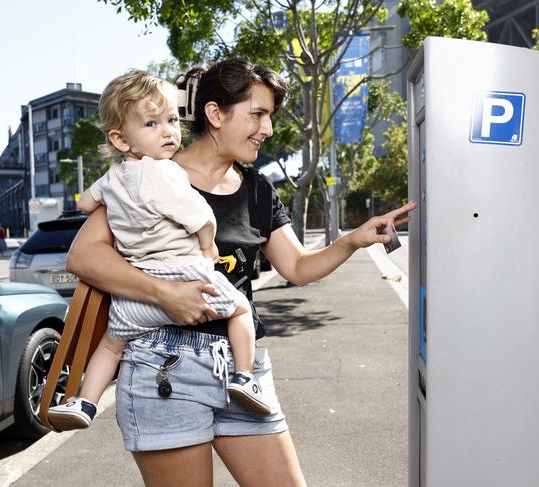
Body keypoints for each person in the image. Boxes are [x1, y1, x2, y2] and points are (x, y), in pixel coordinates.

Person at [65, 58, 417, 486]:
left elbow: (298, 267)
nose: (266, 128)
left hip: (239, 372)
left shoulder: (256, 189)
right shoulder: (149, 175)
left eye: (269, 116)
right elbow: (84, 257)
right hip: (162, 363)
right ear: (215, 114)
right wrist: (164, 294)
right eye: (257, 114)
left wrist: (351, 239)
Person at [47, 70, 271, 432]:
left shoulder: (113, 177)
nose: (168, 131)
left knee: (111, 344)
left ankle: (85, 402)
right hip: (184, 275)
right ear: (120, 138)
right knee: (241, 309)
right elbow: (201, 217)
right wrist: (207, 246)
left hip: (136, 294)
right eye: (152, 123)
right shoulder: (164, 173)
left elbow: (86, 203)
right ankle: (245, 377)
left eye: (170, 120)